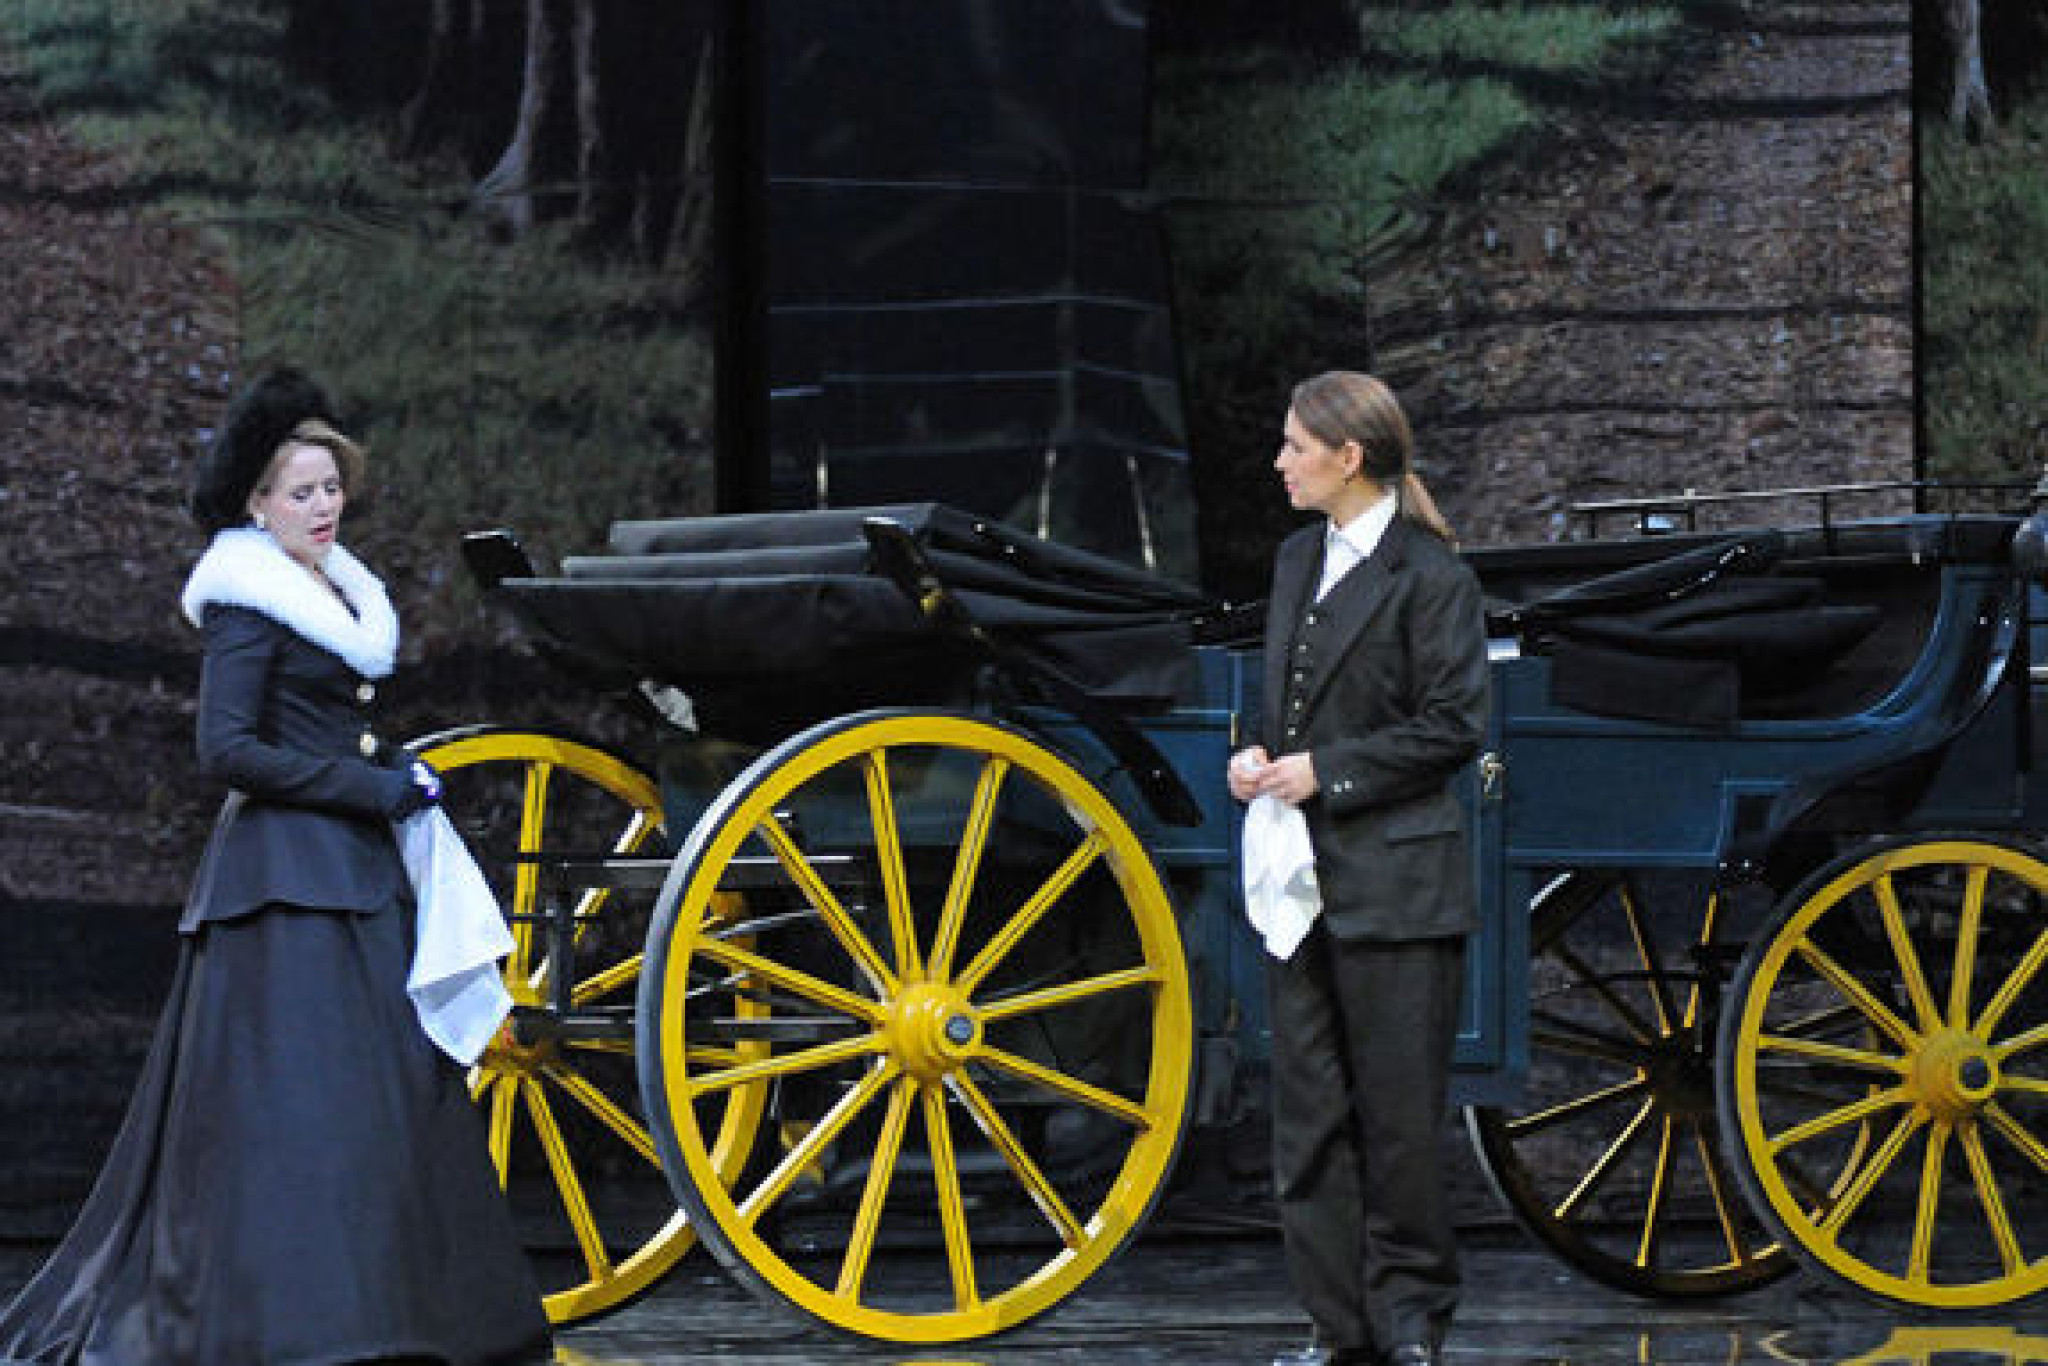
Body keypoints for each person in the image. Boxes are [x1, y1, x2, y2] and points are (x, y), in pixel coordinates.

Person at [0, 368, 552, 1366]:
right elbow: (227, 749)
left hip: (348, 871)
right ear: (258, 504)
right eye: (299, 491)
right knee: (295, 1107)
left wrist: (386, 768)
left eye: (330, 487)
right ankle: (293, 1321)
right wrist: (367, 788)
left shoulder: (332, 590)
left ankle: (397, 1316)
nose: (322, 505)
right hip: (280, 885)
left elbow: (325, 730)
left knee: (379, 1102)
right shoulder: (248, 602)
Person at [1228, 372, 1487, 1366]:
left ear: (1348, 456)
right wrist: (1256, 756)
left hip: (1395, 883)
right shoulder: (1298, 560)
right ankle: (1335, 1329)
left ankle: (1409, 1320)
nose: (1279, 461)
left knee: (1398, 1125)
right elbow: (1286, 705)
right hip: (1299, 886)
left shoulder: (1430, 576)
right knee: (1306, 1126)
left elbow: (1451, 725)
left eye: (1296, 446)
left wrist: (1324, 771)